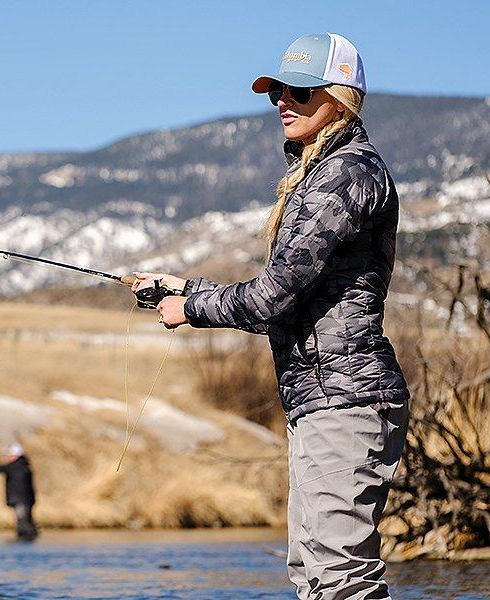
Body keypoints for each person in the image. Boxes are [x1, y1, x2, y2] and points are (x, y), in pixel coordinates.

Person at [133, 33, 409, 599]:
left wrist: (191, 308)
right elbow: (288, 294)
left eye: (301, 91)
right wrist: (185, 287)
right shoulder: (320, 174)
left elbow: (271, 298)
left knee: (339, 578)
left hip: (347, 400)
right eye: (277, 90)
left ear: (341, 98)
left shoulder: (345, 175)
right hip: (321, 401)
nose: (284, 100)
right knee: (313, 576)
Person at [0, 442, 39, 541]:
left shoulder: (16, 466)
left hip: (20, 499)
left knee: (23, 521)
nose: (8, 457)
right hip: (27, 499)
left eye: (10, 455)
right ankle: (28, 538)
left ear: (16, 455)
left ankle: (25, 539)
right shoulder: (25, 465)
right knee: (26, 519)